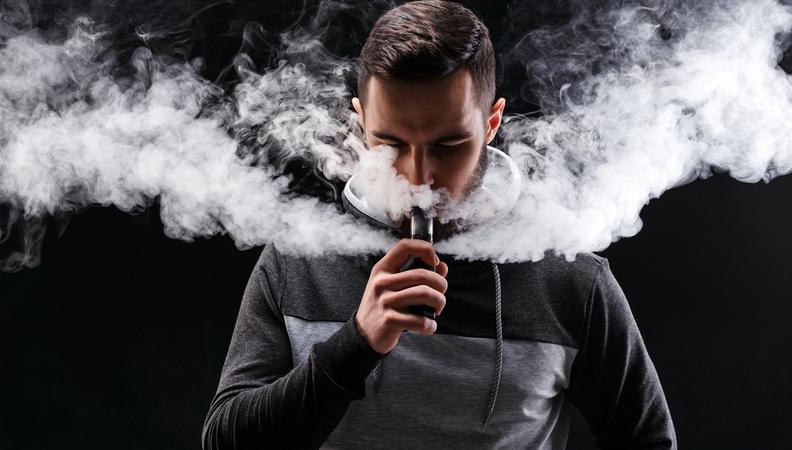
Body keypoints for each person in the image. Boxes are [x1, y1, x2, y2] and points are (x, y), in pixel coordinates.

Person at [201, 1, 676, 448]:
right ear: (359, 123)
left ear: (491, 124)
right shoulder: (295, 261)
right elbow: (224, 440)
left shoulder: (572, 279)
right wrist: (358, 342)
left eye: (449, 146)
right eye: (390, 144)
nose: (419, 177)